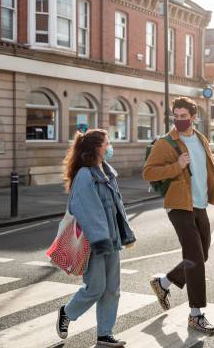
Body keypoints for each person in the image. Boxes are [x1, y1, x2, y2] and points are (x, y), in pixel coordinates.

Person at [142, 96, 214, 336]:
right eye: (176, 116)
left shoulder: (201, 139)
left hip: (200, 206)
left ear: (194, 117)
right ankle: (196, 315)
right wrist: (177, 166)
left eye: (184, 116)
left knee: (201, 255)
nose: (180, 120)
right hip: (179, 206)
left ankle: (163, 283)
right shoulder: (166, 142)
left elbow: (211, 173)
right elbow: (148, 173)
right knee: (194, 257)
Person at [56, 129, 136, 347]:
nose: (110, 146)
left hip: (113, 239)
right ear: (96, 148)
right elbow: (87, 210)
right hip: (96, 242)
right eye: (107, 143)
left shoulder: (107, 172)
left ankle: (104, 334)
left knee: (112, 289)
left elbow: (117, 207)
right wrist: (101, 240)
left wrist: (125, 233)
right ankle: (67, 312)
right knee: (96, 288)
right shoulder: (85, 175)